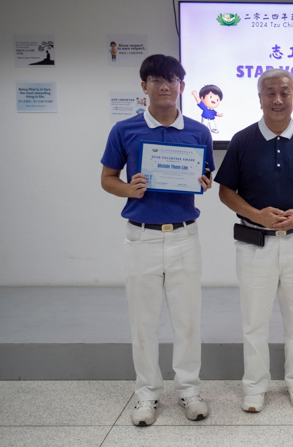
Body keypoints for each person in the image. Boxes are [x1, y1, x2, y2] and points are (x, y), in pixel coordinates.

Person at [215, 68, 293, 413]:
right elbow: (225, 191)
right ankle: (255, 387)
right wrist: (255, 214)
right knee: (254, 320)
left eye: (285, 92)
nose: (278, 99)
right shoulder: (242, 140)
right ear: (259, 98)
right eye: (270, 93)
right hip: (256, 243)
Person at [100, 54, 214, 426]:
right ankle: (146, 394)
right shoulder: (125, 130)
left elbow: (205, 175)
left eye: (172, 80)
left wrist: (204, 182)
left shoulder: (199, 131)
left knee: (188, 320)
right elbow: (108, 179)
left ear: (181, 85)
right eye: (156, 79)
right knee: (143, 321)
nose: (165, 86)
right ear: (144, 85)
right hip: (142, 238)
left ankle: (188, 390)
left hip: (184, 235)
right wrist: (128, 189)